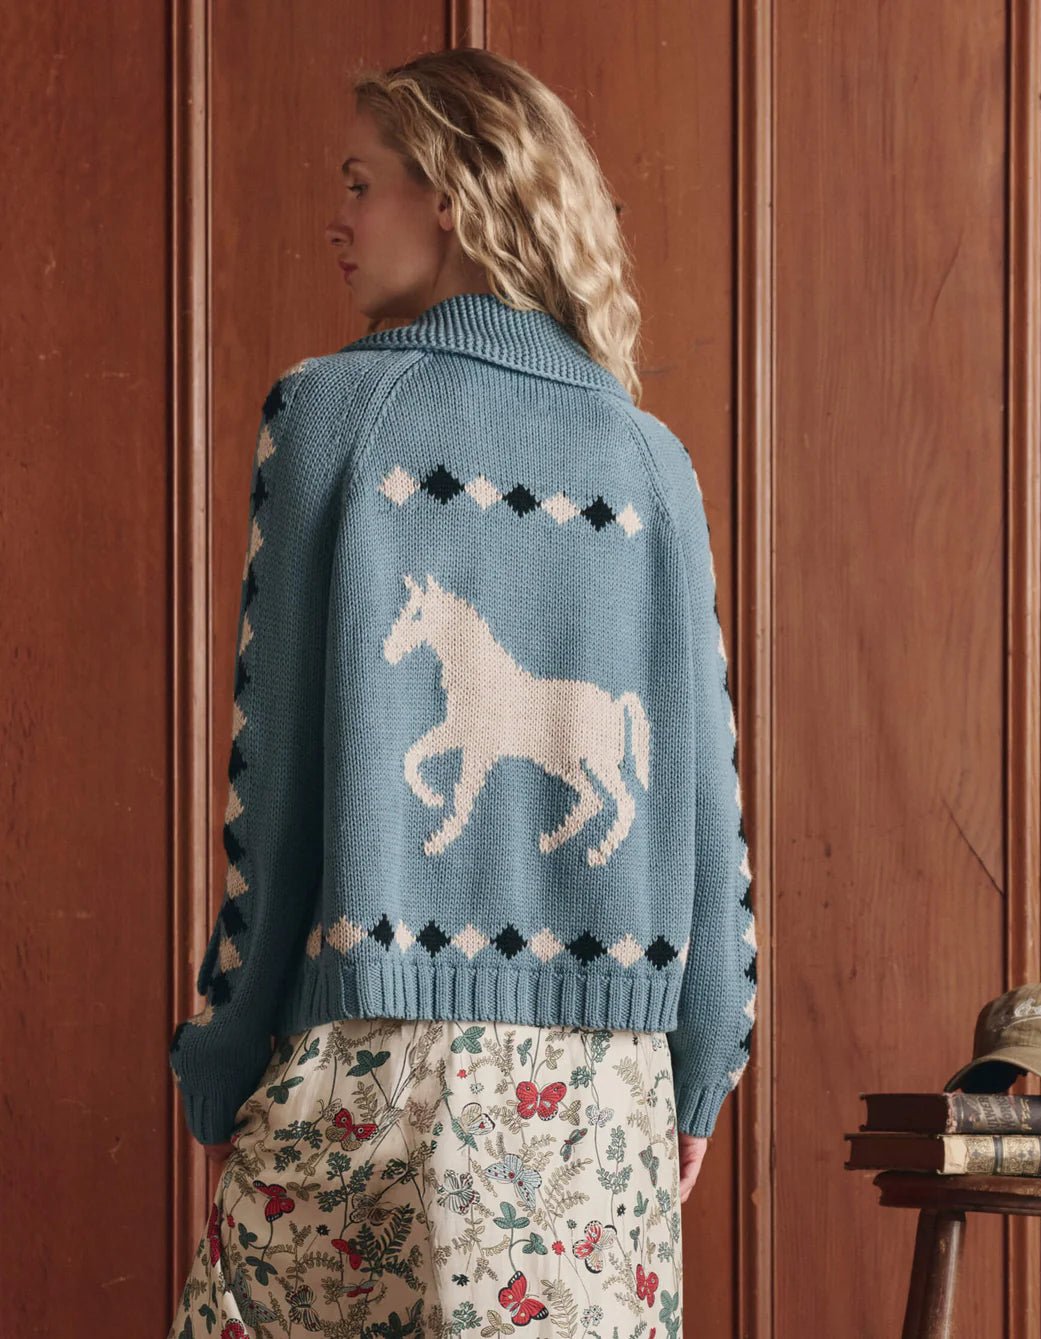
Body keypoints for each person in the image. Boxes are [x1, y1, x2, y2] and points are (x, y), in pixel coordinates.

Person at [167, 45, 756, 1338]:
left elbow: (275, 776)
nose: (336, 219)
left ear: (453, 194)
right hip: (600, 1096)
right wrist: (702, 1063)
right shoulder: (652, 463)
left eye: (360, 182)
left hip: (374, 1074)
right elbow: (706, 811)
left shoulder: (334, 416)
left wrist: (223, 1056)